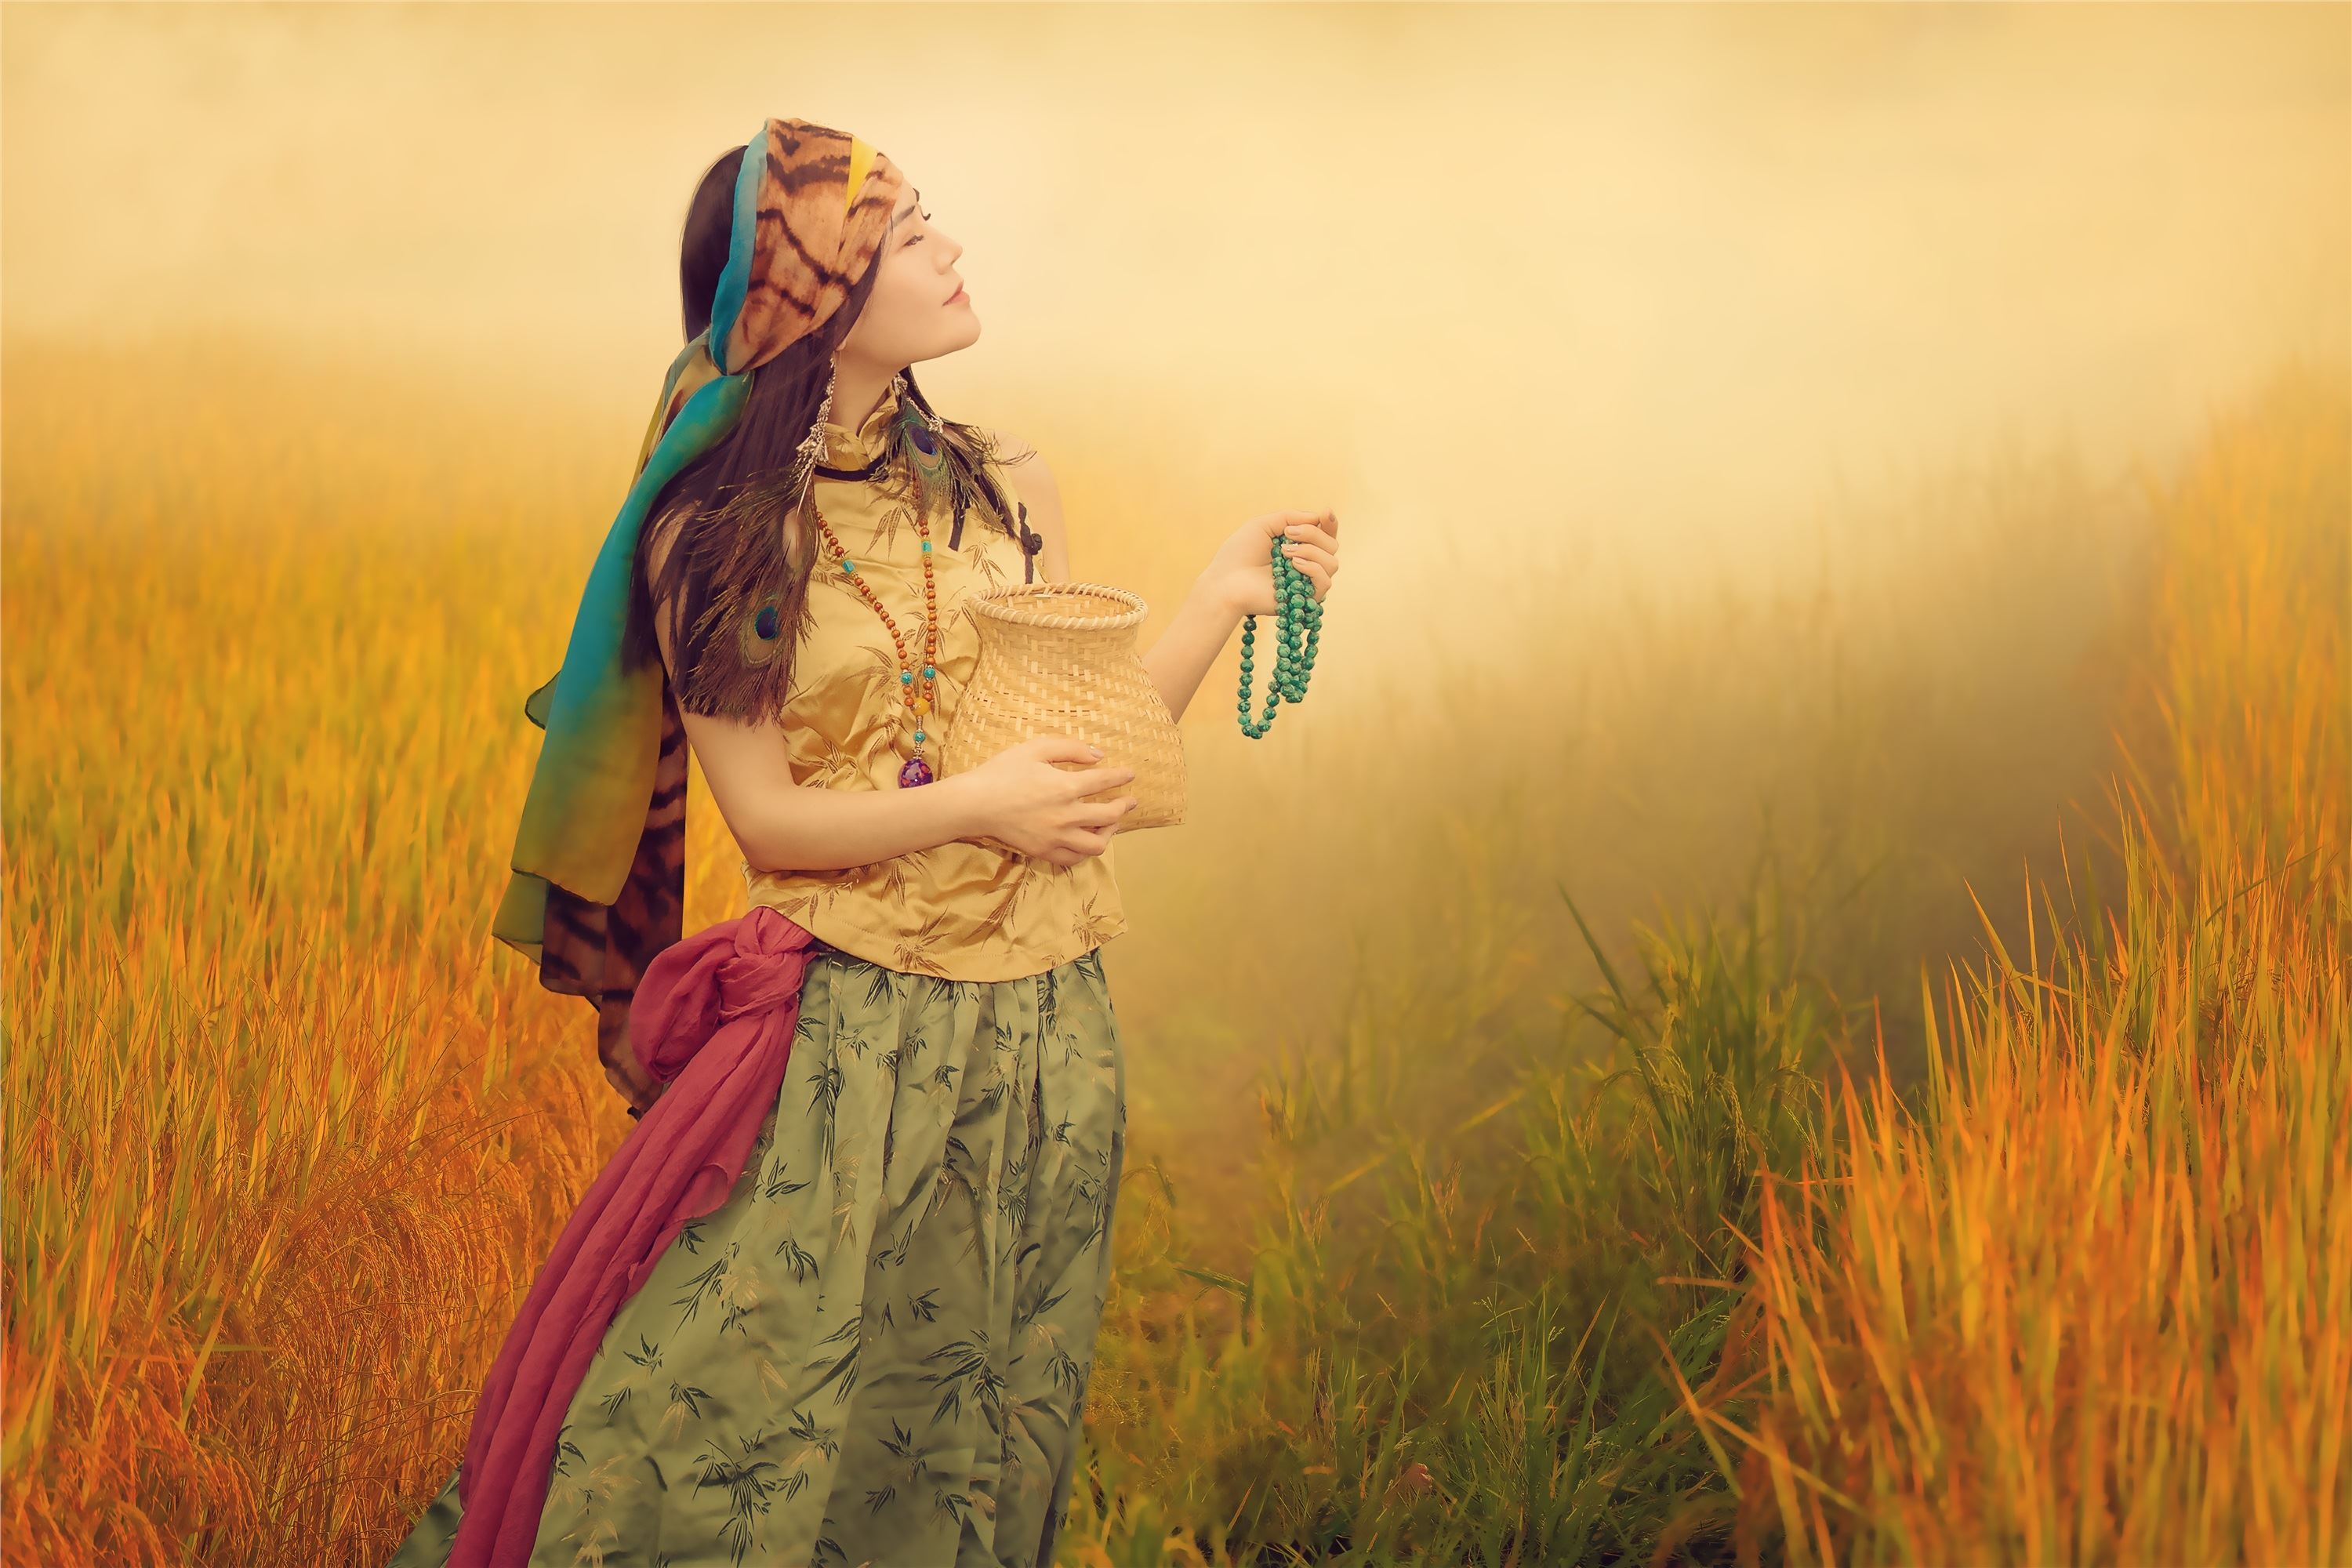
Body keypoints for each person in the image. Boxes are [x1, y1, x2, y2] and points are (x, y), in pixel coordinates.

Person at [387, 118, 1339, 1568]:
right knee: (718, 1430)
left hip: (1041, 1035)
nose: (948, 249)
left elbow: (1086, 769)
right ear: (813, 293)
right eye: (903, 235)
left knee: (965, 1424)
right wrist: (980, 805)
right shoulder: (716, 530)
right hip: (849, 1042)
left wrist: (1215, 599)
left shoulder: (1003, 480)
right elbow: (767, 819)